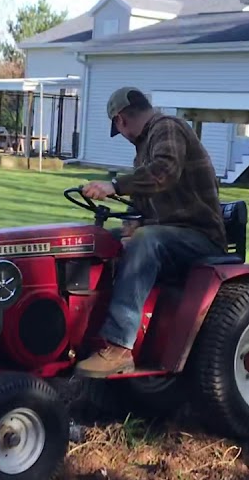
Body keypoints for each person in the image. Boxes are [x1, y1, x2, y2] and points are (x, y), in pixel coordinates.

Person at [74, 87, 227, 379]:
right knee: (106, 241)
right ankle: (83, 332)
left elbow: (164, 171)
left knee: (147, 241)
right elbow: (148, 202)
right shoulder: (146, 146)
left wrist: (115, 186)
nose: (123, 135)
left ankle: (119, 346)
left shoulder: (167, 128)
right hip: (173, 233)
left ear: (120, 120)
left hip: (200, 236)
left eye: (119, 130)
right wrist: (135, 222)